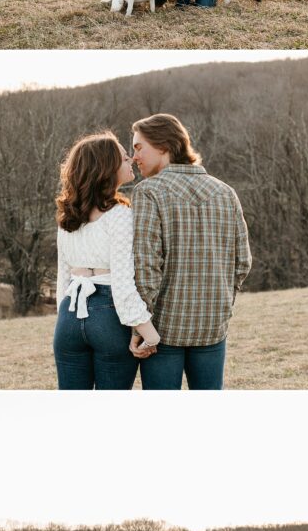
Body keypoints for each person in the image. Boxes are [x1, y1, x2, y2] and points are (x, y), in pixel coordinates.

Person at [130, 114, 252, 390]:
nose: (134, 157)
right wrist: (220, 304)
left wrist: (141, 326)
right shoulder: (226, 192)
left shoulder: (148, 192)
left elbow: (146, 267)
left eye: (139, 148)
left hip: (163, 329)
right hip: (213, 326)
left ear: (163, 145)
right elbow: (242, 262)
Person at [53, 132, 160, 389]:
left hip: (68, 318)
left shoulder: (67, 217)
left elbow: (63, 281)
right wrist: (151, 336)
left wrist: (65, 320)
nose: (131, 161)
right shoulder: (119, 215)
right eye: (124, 159)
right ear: (107, 169)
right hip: (107, 317)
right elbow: (123, 288)